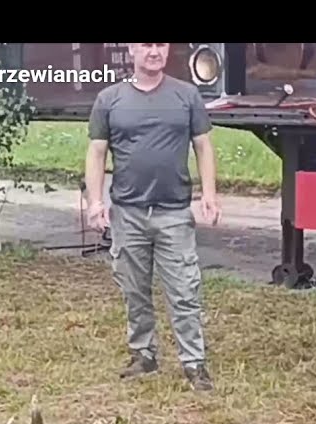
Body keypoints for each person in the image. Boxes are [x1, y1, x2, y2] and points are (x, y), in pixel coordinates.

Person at [84, 42, 220, 392]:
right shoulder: (109, 100)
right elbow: (97, 153)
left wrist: (209, 194)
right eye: (146, 45)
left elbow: (203, 145)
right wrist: (95, 202)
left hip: (173, 212)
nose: (154, 51)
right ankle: (143, 355)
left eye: (160, 44)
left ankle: (194, 363)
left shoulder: (186, 96)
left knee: (185, 290)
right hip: (127, 213)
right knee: (134, 289)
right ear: (131, 49)